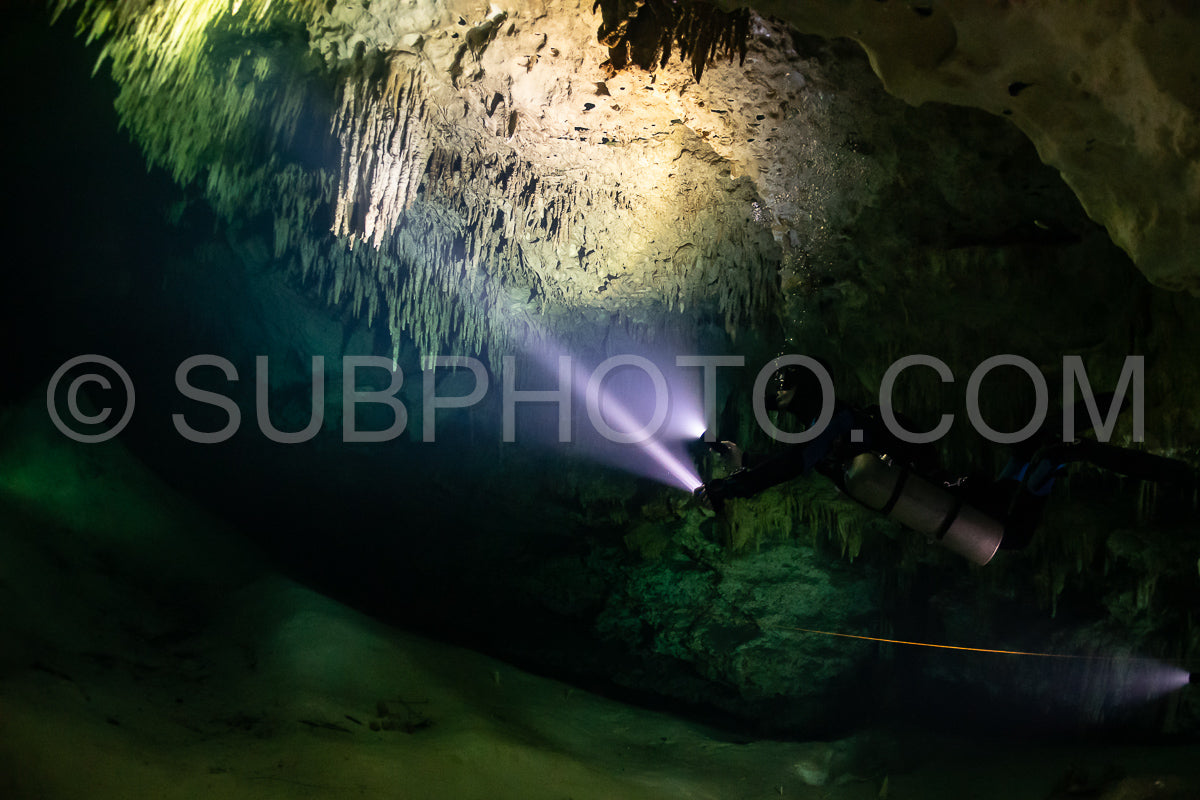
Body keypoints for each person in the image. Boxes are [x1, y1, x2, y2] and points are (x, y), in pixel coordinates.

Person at [695, 365, 1187, 564]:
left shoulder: (838, 430)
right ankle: (1134, 410)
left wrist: (732, 485)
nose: (781, 404)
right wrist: (743, 465)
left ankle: (1134, 405)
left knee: (1047, 447)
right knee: (1046, 449)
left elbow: (789, 465)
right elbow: (789, 463)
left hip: (973, 508)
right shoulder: (838, 436)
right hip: (974, 508)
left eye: (784, 394)